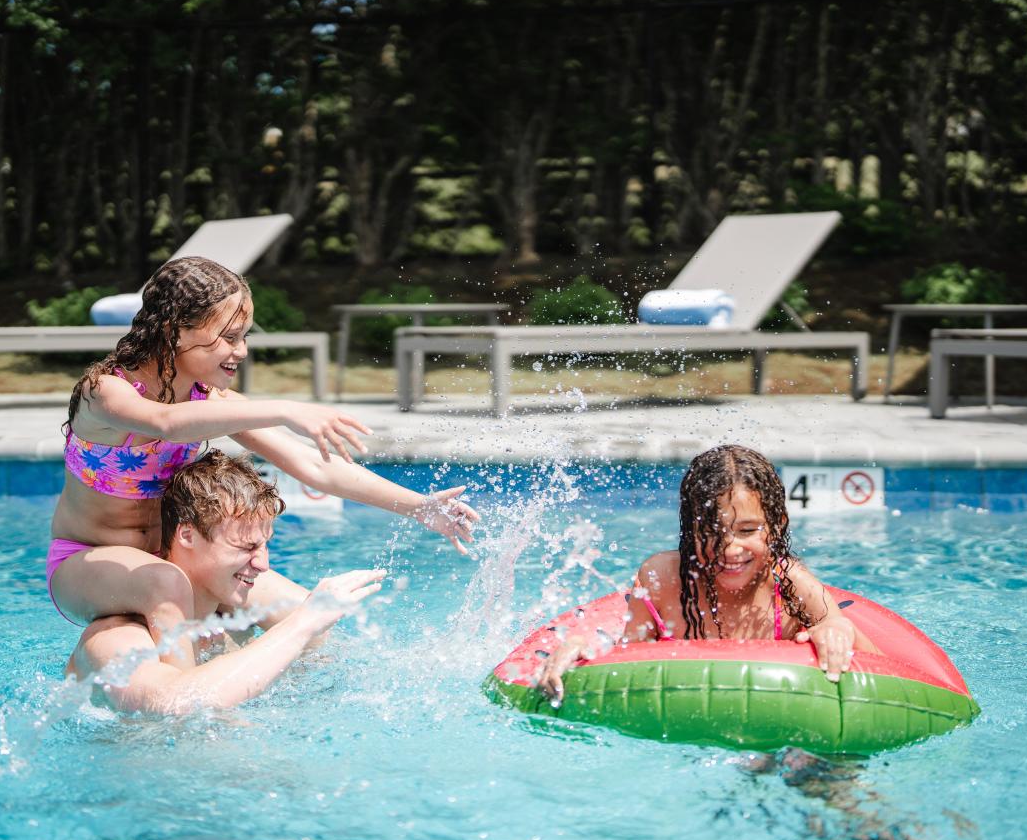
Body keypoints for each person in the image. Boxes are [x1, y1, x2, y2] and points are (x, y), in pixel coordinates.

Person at [47, 255, 477, 667]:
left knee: (303, 616)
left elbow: (313, 465)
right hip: (89, 560)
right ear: (175, 331)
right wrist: (285, 409)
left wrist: (418, 506)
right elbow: (167, 422)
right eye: (229, 337)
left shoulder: (209, 400)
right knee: (165, 582)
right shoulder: (105, 392)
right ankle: (184, 701)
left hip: (172, 557)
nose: (242, 351)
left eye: (245, 336)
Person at [535, 445, 879, 704]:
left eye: (747, 530)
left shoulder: (792, 587)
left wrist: (838, 630)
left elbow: (884, 668)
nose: (729, 549)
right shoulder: (663, 581)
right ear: (691, 531)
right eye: (712, 531)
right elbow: (627, 657)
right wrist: (581, 648)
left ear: (776, 527)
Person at [65, 450, 386, 714]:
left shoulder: (233, 612)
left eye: (265, 545)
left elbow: (332, 653)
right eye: (246, 547)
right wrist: (301, 624)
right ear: (187, 535)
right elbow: (170, 705)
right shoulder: (115, 639)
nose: (263, 564)